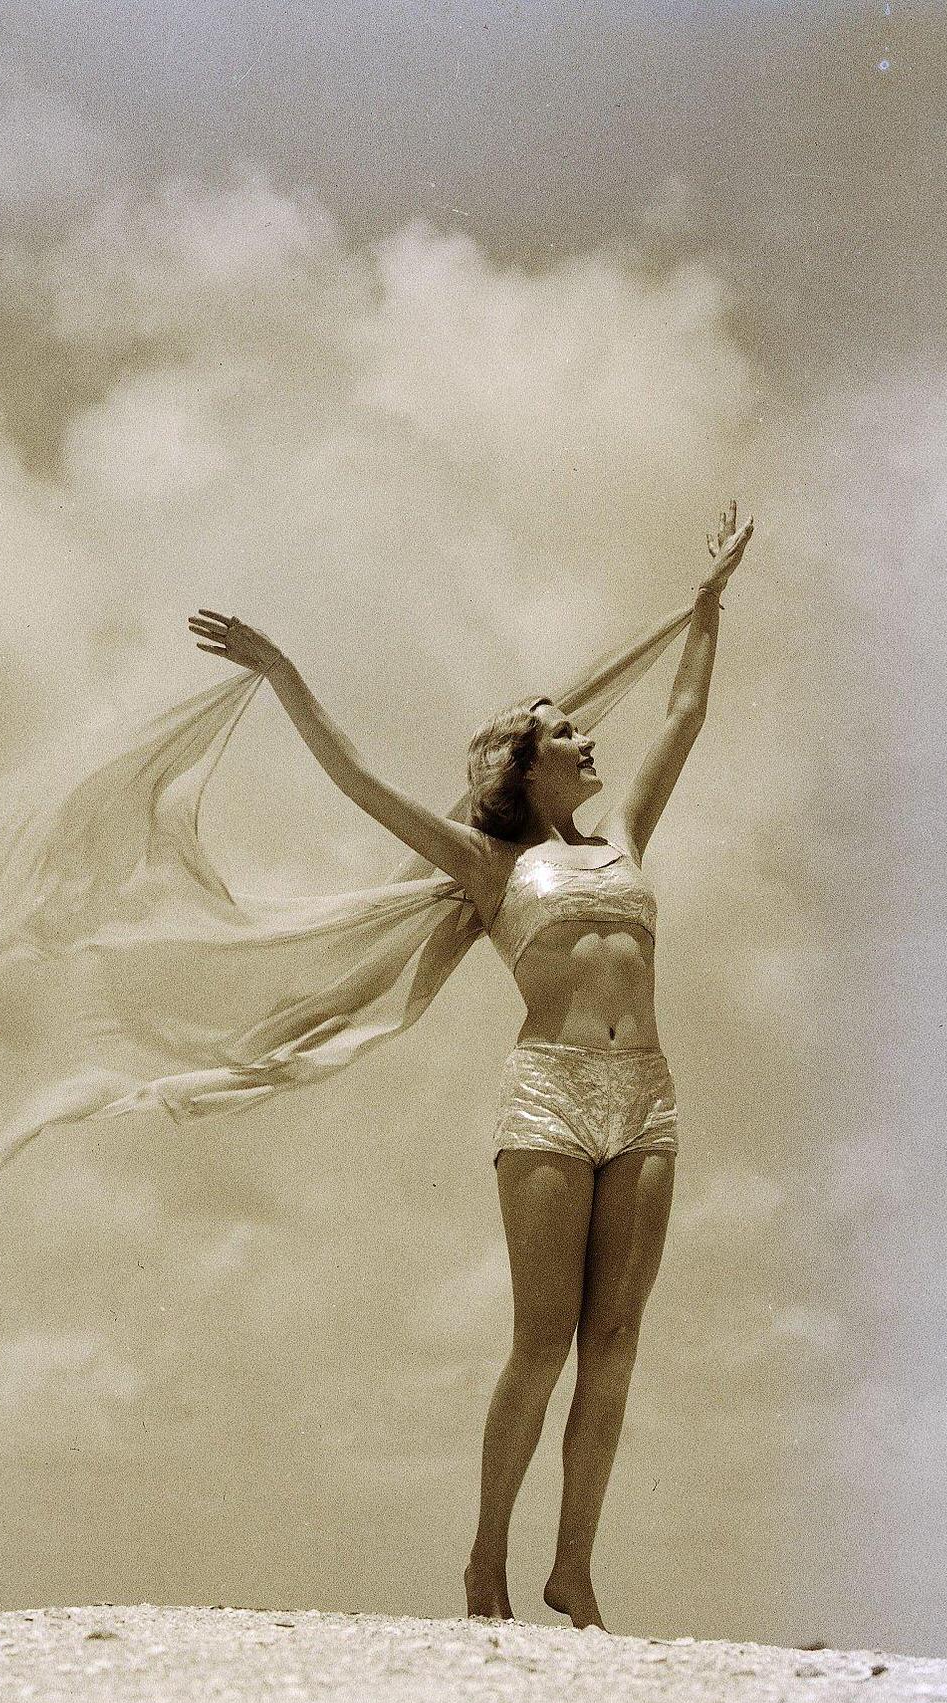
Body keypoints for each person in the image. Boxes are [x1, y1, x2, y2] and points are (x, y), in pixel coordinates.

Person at [189, 502, 754, 1628]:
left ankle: (573, 1568)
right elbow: (354, 778)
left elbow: (686, 710)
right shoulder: (485, 862)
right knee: (541, 1338)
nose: (592, 739)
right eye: (569, 732)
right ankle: (485, 1558)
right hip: (546, 1095)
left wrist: (708, 602)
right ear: (523, 760)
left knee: (617, 1342)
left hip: (645, 1097)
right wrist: (281, 669)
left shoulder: (625, 835)